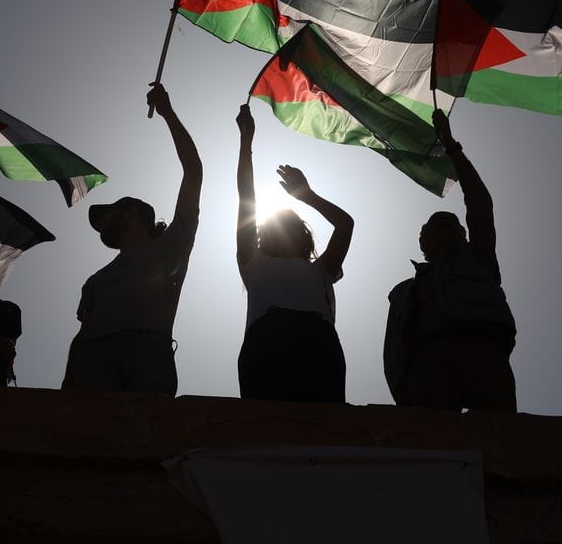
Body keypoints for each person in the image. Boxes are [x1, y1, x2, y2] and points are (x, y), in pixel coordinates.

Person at [62, 83, 202, 396]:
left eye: (109, 214)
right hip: (93, 362)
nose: (101, 227)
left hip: (148, 353)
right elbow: (82, 334)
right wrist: (66, 387)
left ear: (133, 213)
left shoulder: (170, 248)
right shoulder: (96, 280)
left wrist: (167, 112)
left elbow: (193, 171)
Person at [384, 106, 517, 412]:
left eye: (453, 225)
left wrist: (451, 145)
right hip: (425, 362)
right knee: (435, 451)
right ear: (422, 240)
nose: (447, 231)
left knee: (500, 441)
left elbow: (480, 205)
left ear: (464, 234)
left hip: (480, 348)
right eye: (437, 225)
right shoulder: (403, 291)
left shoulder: (476, 259)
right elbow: (393, 347)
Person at [234, 103, 353, 402]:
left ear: (302, 236)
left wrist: (308, 196)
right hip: (268, 341)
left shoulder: (321, 269)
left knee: (322, 430)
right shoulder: (253, 259)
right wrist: (246, 142)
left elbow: (345, 224)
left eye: (290, 225)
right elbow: (246, 195)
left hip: (317, 343)